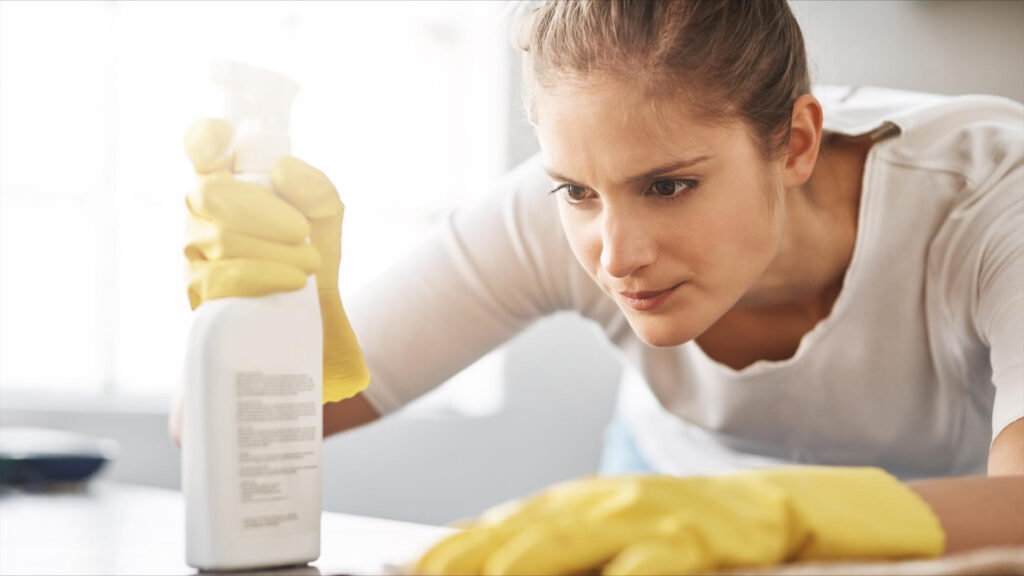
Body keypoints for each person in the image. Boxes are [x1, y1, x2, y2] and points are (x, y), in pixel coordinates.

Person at [175, 1, 1024, 573]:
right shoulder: (545, 216)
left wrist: (778, 518)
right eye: (577, 190)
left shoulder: (997, 198)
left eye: (668, 186)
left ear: (797, 142)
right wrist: (271, 330)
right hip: (664, 509)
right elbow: (207, 437)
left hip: (948, 530)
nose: (616, 256)